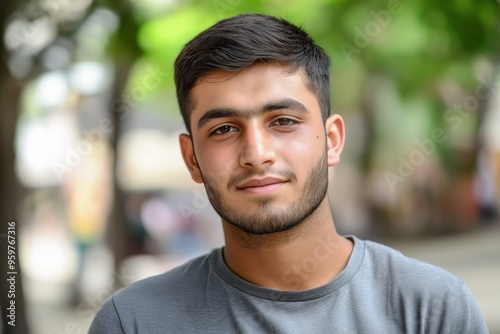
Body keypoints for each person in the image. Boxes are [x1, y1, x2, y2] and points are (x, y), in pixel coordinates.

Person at [89, 13, 488, 333]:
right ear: (192, 157)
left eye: (282, 121)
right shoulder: (134, 322)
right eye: (224, 129)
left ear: (331, 140)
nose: (256, 154)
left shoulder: (432, 308)